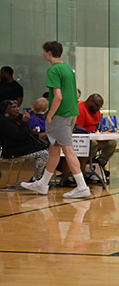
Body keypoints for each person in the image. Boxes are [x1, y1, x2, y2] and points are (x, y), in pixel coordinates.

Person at [20, 41, 90, 199]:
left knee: (68, 150)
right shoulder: (67, 69)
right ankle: (43, 184)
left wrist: (50, 114)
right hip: (71, 113)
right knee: (54, 149)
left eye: (44, 51)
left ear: (49, 52)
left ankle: (82, 186)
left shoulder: (53, 70)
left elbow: (58, 96)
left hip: (61, 114)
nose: (43, 54)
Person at [0, 99, 48, 183]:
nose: (17, 109)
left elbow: (24, 133)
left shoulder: (16, 120)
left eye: (18, 106)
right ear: (6, 109)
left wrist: (33, 133)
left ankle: (41, 178)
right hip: (12, 150)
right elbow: (19, 136)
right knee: (44, 154)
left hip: (22, 147)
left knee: (49, 151)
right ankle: (36, 179)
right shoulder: (4, 122)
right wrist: (24, 122)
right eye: (14, 107)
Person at [76, 93, 114, 182]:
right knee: (93, 143)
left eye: (100, 107)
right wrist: (89, 133)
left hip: (96, 136)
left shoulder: (96, 111)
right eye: (97, 106)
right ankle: (89, 164)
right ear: (90, 102)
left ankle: (99, 164)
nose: (98, 109)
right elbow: (77, 126)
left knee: (112, 142)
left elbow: (98, 125)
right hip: (84, 138)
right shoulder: (80, 109)